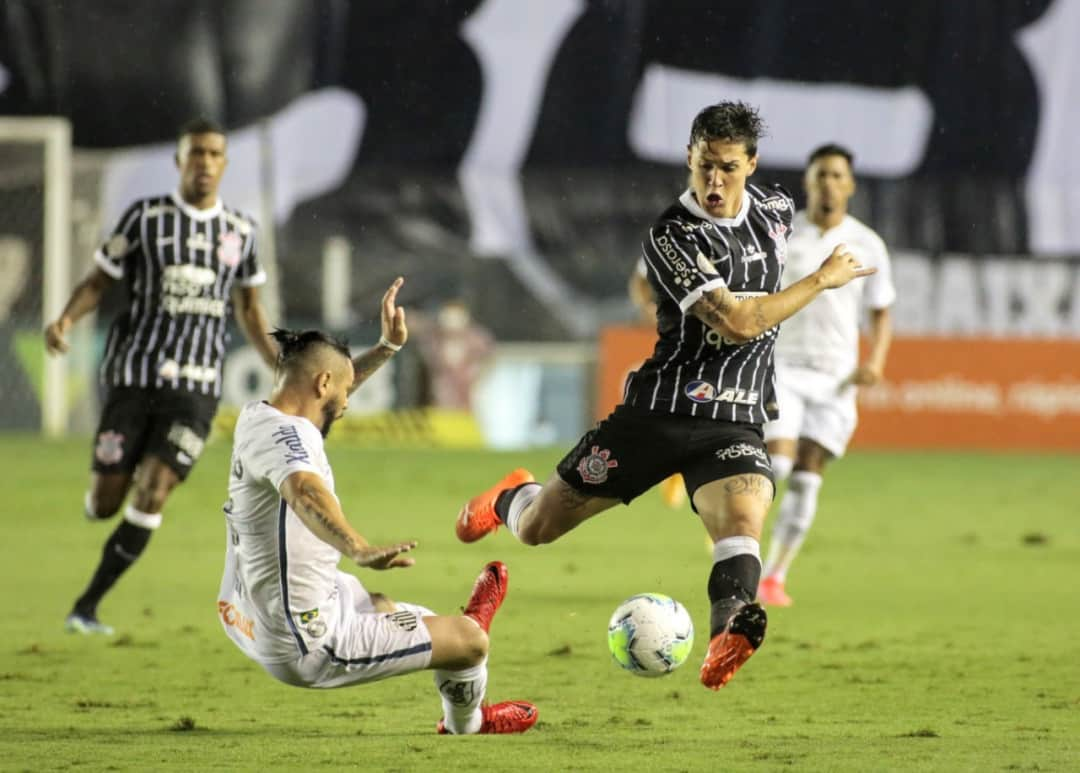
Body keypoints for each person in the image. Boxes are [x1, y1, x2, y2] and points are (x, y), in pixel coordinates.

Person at [454, 101, 875, 690]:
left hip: (735, 421)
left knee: (743, 520)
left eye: (728, 167)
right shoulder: (672, 235)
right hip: (658, 415)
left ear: (751, 164)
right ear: (688, 157)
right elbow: (739, 323)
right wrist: (820, 280)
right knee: (536, 529)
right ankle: (509, 496)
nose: (714, 181)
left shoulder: (778, 212)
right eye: (704, 165)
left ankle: (729, 631)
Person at [218, 283, 537, 735]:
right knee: (469, 643)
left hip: (253, 607)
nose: (347, 404)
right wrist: (358, 547)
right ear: (322, 384)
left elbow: (333, 391)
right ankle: (467, 721)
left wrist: (387, 347)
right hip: (307, 641)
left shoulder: (263, 415)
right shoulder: (289, 440)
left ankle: (442, 633)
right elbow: (304, 491)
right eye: (343, 391)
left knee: (390, 606)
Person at [44, 118, 280, 635]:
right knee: (108, 502)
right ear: (179, 162)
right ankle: (102, 497)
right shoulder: (145, 219)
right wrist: (64, 319)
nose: (205, 163)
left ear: (224, 163)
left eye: (214, 154)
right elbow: (97, 282)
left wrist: (275, 361)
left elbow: (250, 308)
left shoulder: (240, 232)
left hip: (195, 391)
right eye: (195, 153)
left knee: (154, 489)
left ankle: (87, 606)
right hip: (133, 378)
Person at [758, 144, 895, 607]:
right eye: (821, 175)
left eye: (838, 176)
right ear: (808, 181)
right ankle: (739, 547)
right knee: (776, 464)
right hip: (783, 368)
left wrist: (874, 361)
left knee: (807, 477)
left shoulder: (868, 243)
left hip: (836, 378)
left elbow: (880, 311)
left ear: (851, 185)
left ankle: (774, 576)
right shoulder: (782, 235)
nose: (829, 184)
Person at [627, 261, 687, 509]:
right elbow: (640, 278)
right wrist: (646, 307)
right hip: (678, 332)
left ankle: (678, 464)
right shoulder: (671, 234)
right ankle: (674, 465)